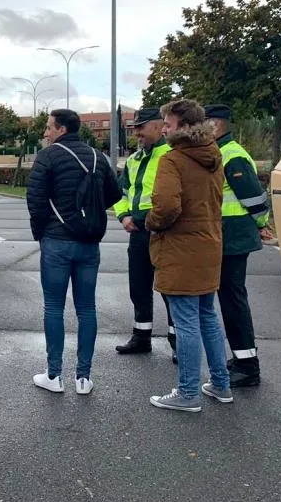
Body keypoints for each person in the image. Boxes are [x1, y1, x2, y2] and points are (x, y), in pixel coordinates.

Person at [26, 109, 121, 394]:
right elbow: (114, 194)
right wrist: (87, 214)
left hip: (56, 240)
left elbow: (36, 199)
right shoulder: (97, 156)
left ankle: (54, 375)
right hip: (89, 242)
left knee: (54, 307)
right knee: (87, 307)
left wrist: (41, 232)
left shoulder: (48, 155)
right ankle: (83, 377)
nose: (45, 132)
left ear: (62, 130)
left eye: (48, 127)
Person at [147, 99, 232, 413]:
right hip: (209, 246)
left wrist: (151, 224)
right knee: (207, 317)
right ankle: (221, 384)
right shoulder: (214, 155)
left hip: (181, 249)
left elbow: (167, 206)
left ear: (183, 126)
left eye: (168, 124)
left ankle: (187, 392)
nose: (164, 128)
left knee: (185, 322)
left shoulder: (174, 160)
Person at [205, 104, 270, 388]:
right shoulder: (221, 151)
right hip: (226, 237)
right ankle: (242, 358)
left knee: (233, 301)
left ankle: (247, 366)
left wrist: (260, 223)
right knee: (230, 299)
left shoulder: (230, 154)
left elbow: (255, 199)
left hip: (233, 238)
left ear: (216, 125)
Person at [113, 107, 177, 361]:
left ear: (157, 126)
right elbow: (121, 193)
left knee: (171, 289)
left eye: (141, 127)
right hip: (138, 231)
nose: (136, 133)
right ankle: (141, 337)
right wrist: (123, 216)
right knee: (138, 286)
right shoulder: (134, 160)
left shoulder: (171, 156)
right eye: (134, 128)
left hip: (165, 232)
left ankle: (178, 342)